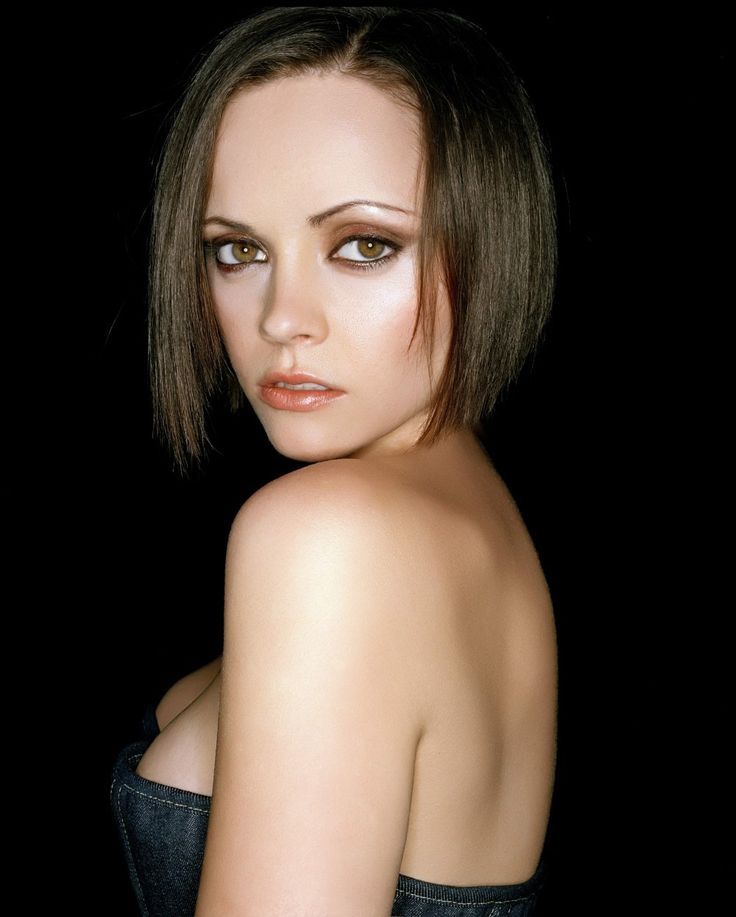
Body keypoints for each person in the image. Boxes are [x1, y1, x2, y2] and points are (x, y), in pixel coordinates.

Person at [108, 7, 559, 915]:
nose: (282, 317)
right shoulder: (474, 518)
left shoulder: (330, 534)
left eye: (364, 245)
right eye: (238, 249)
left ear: (490, 242)